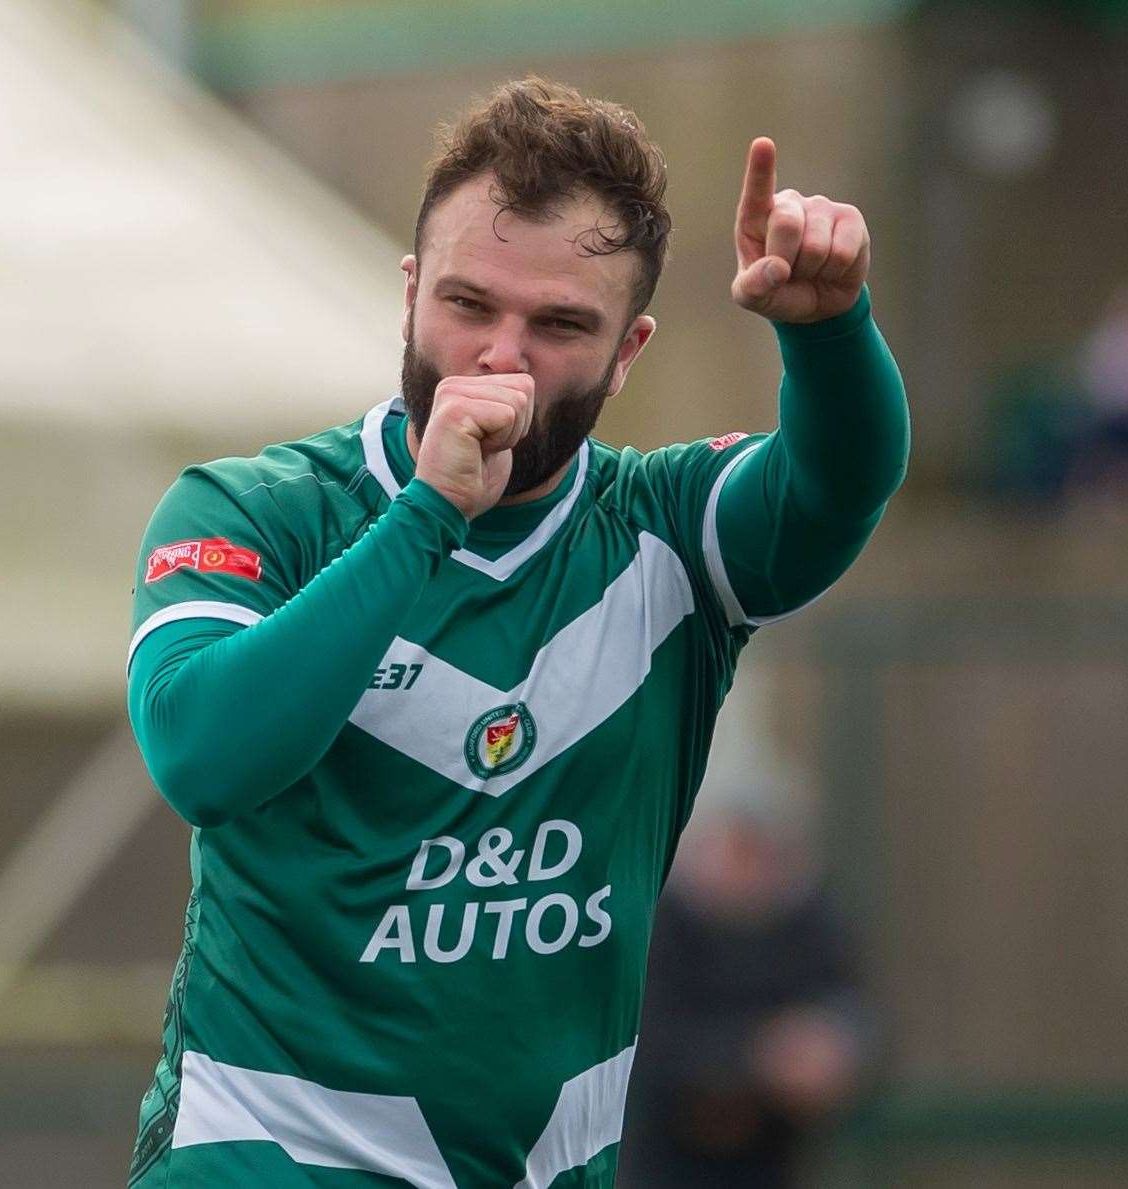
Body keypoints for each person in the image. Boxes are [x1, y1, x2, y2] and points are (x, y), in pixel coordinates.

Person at [123, 77, 909, 1187]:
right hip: (265, 1156)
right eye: (467, 304)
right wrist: (427, 518)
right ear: (407, 295)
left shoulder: (664, 533)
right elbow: (203, 755)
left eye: (558, 325)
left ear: (628, 351)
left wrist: (834, 335)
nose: (500, 357)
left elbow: (836, 487)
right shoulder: (260, 511)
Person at [620, 775, 873, 1187]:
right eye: (738, 850)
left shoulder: (807, 920)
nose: (747, 868)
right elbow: (646, 1041)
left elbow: (849, 1006)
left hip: (773, 1157)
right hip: (666, 1154)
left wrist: (837, 1044)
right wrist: (757, 1057)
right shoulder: (659, 923)